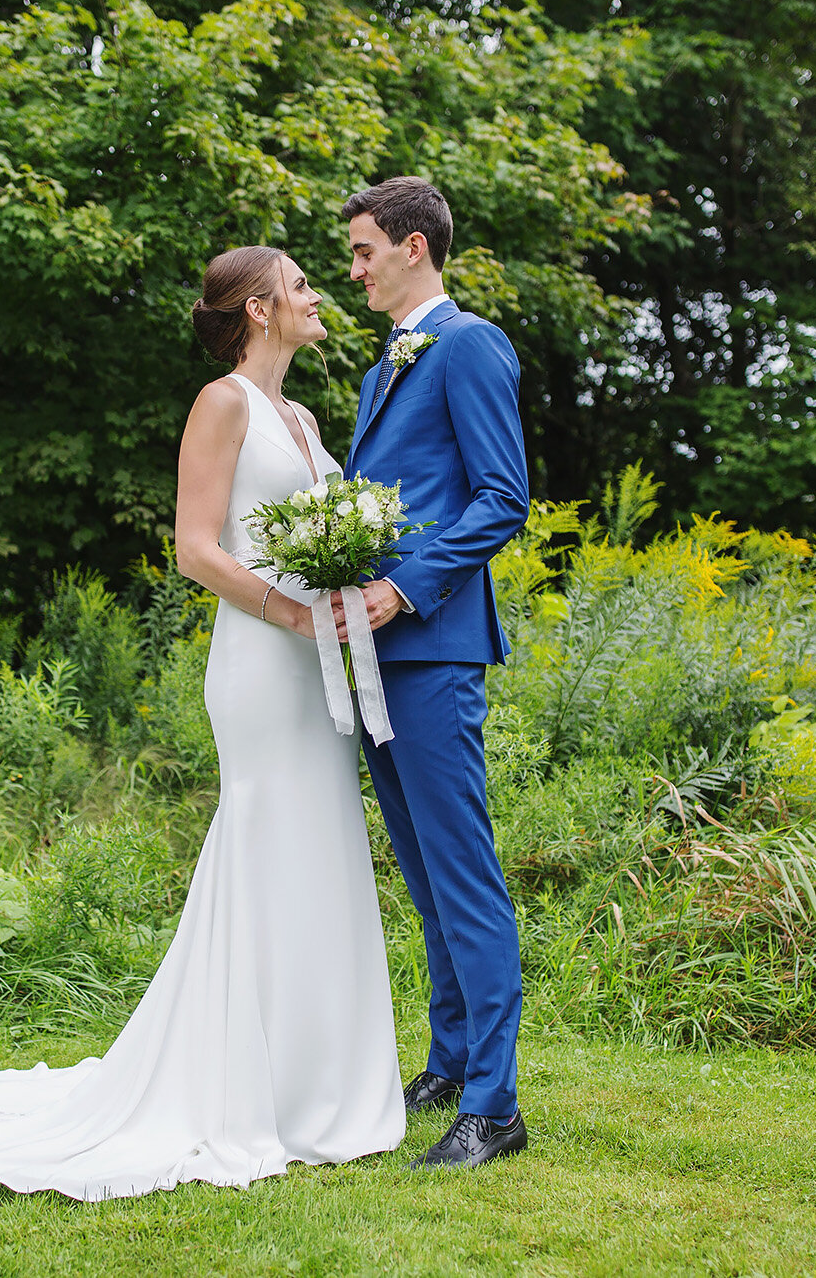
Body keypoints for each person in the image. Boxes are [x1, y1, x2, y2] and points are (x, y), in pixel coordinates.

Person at [0, 245, 405, 1200]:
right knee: (267, 842)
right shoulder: (224, 404)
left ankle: (314, 1086)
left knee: (320, 848)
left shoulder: (303, 416)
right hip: (261, 662)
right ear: (257, 309)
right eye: (299, 284)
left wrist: (339, 582)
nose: (317, 293)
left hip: (314, 666)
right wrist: (293, 611)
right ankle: (243, 1088)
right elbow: (194, 549)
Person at [339, 176, 532, 1169]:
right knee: (421, 878)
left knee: (463, 880)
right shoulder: (381, 374)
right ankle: (450, 1062)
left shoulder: (468, 345)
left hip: (434, 645)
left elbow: (503, 499)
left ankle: (494, 1109)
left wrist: (403, 589)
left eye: (365, 250)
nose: (354, 268)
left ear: (414, 247)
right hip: (371, 657)